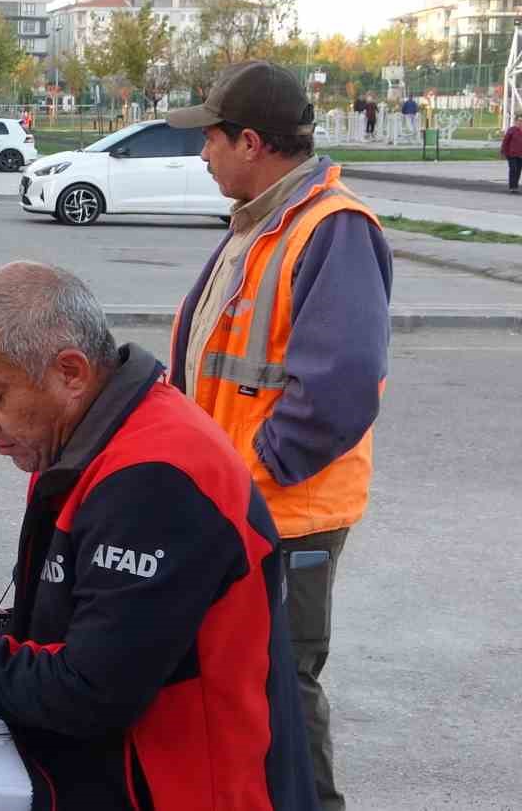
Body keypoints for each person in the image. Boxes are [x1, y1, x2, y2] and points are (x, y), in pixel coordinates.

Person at [0, 262, 318, 811]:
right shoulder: (90, 435)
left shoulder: (156, 479)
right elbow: (114, 616)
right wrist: (14, 628)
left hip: (190, 788)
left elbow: (93, 692)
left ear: (70, 372)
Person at [165, 60, 392, 811]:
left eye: (212, 138)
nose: (203, 154)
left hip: (284, 514)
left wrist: (245, 478)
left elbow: (339, 389)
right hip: (242, 504)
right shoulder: (263, 224)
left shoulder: (331, 229)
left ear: (253, 142)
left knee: (284, 691)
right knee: (242, 685)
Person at [502, 116, 521, 194]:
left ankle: (515, 186)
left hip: (520, 155)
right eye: (519, 121)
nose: (520, 122)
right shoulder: (511, 130)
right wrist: (503, 151)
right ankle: (512, 187)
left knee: (518, 171)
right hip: (511, 154)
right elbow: (505, 141)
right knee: (513, 169)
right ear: (515, 121)